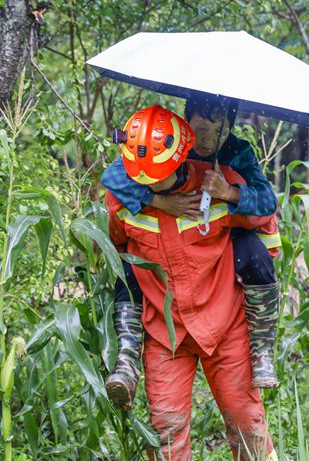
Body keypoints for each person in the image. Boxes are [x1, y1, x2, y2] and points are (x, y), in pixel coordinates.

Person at [106, 105, 279, 461]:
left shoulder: (218, 179)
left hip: (224, 325)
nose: (148, 180)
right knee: (166, 430)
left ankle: (264, 352)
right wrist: (157, 201)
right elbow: (113, 246)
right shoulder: (125, 195)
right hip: (165, 333)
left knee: (246, 423)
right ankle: (126, 361)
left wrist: (230, 194)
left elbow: (266, 218)